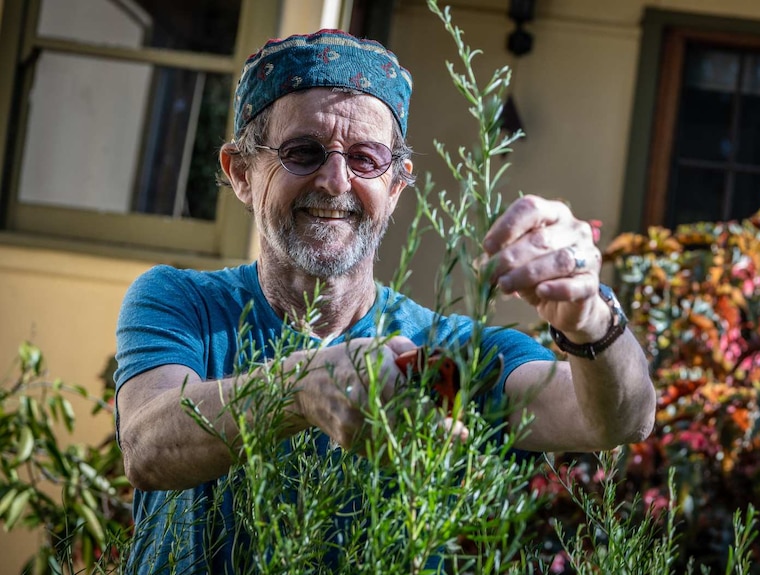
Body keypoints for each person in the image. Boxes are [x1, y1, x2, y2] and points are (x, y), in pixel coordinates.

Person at [114, 29, 655, 574]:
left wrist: (592, 321)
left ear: (397, 185)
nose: (334, 180)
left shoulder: (446, 352)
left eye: (366, 159)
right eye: (303, 152)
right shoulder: (182, 303)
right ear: (241, 173)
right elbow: (147, 442)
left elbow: (618, 419)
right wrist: (299, 389)